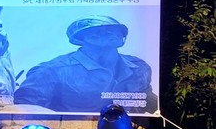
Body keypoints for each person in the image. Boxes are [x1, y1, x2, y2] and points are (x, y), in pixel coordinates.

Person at [14, 15, 157, 113]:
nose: (112, 34)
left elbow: (147, 100)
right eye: (101, 31)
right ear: (82, 38)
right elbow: (26, 111)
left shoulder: (138, 67)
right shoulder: (50, 71)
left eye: (116, 30)